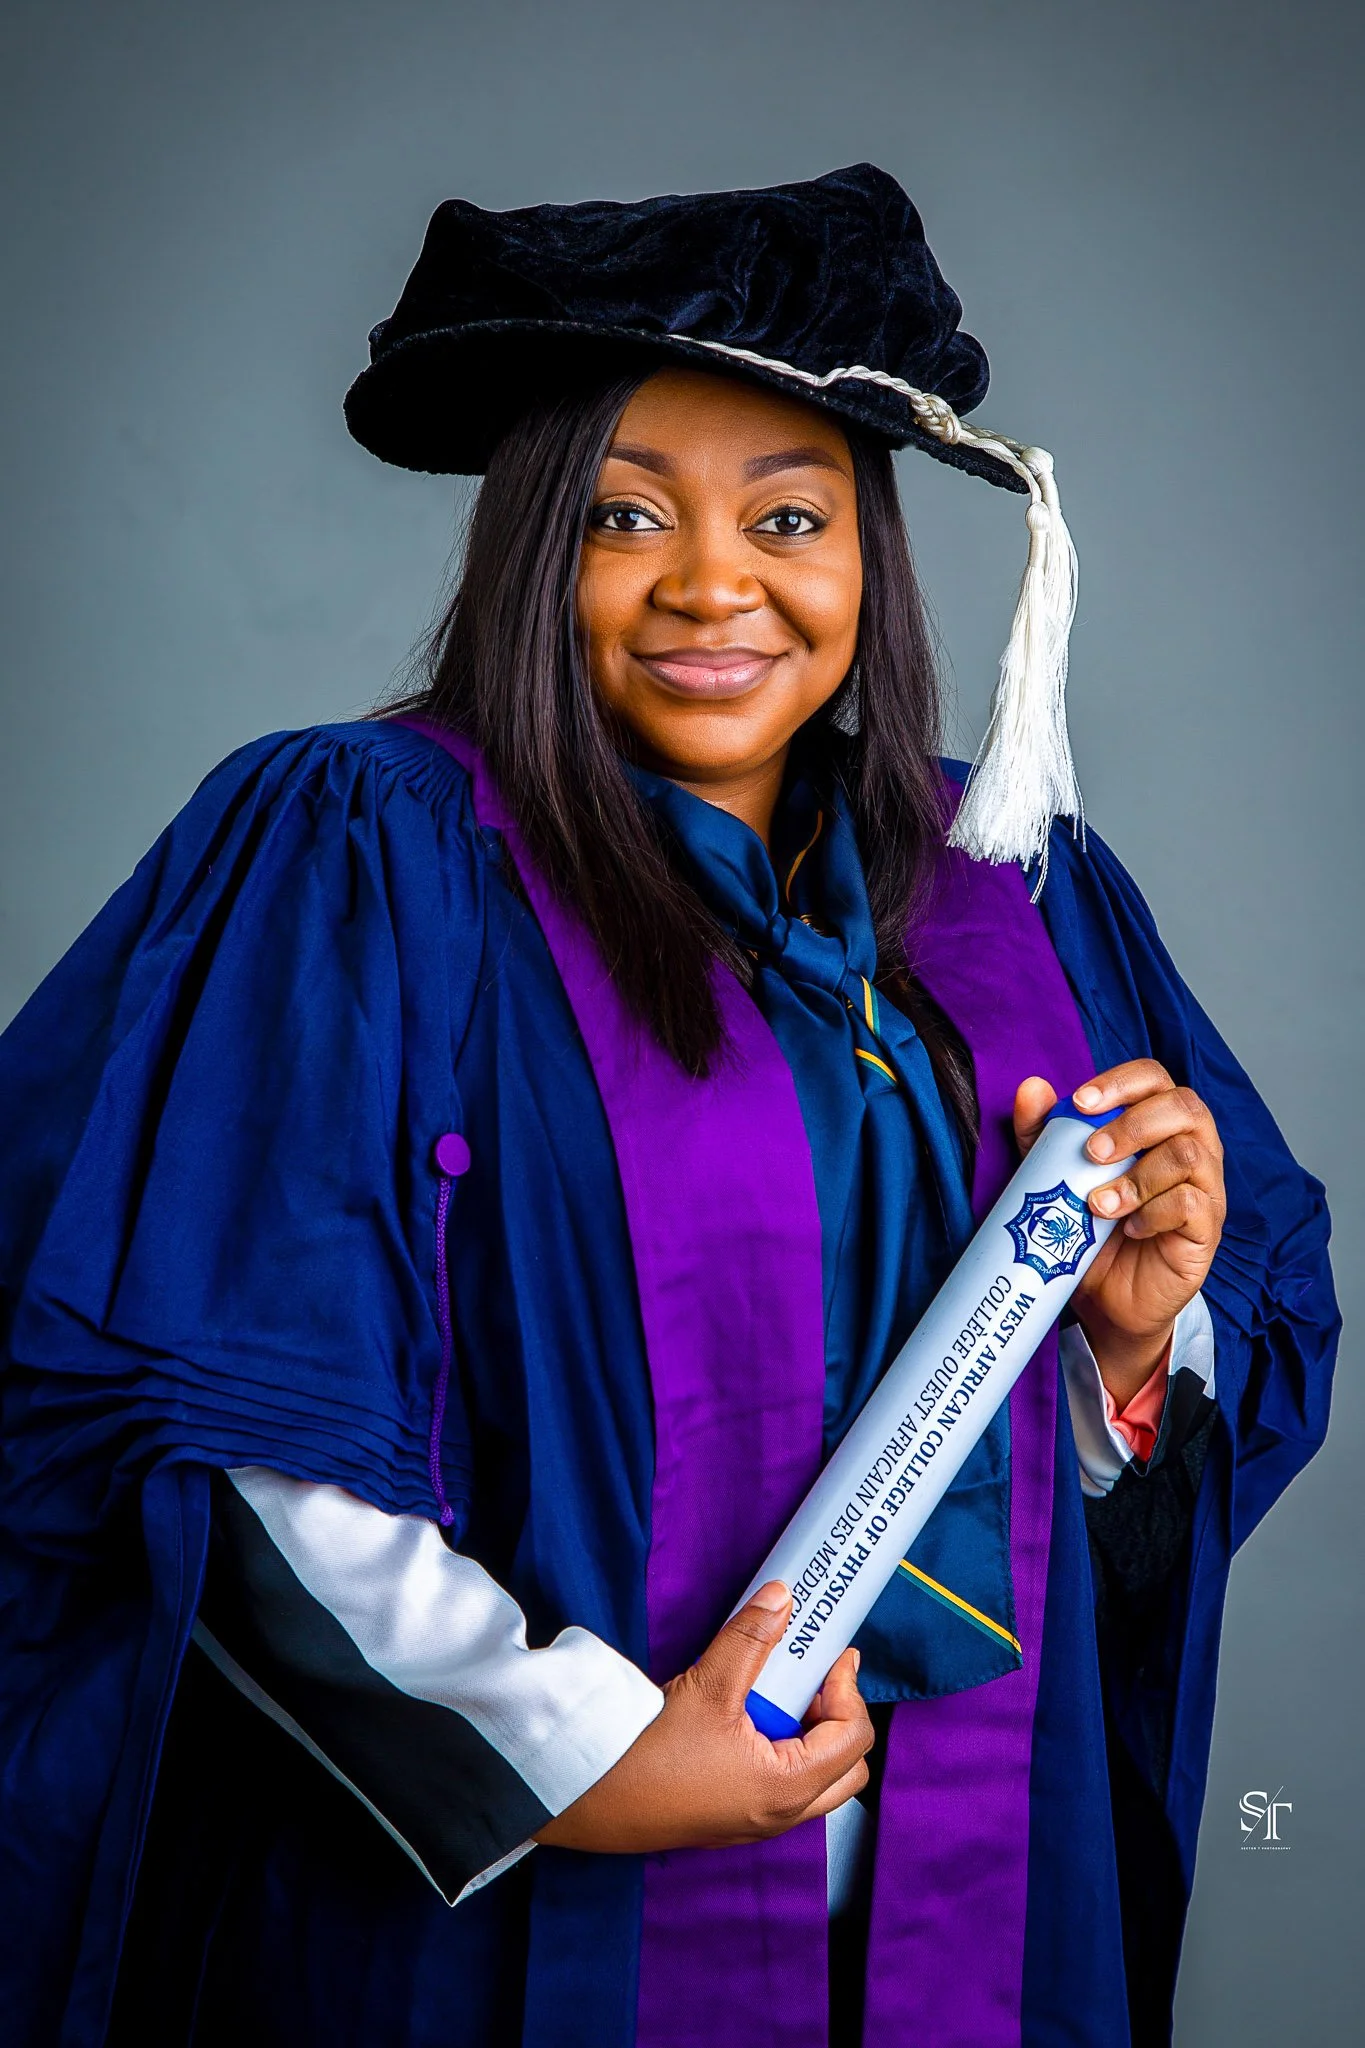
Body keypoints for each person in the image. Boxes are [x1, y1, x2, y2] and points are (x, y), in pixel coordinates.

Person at [0, 165, 1337, 2048]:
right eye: (628, 517)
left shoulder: (1015, 890)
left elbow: (1128, 1420)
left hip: (956, 1912)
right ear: (535, 556)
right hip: (510, 1923)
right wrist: (594, 1758)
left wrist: (1123, 1354)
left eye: (790, 516)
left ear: (871, 555)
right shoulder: (374, 857)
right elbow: (211, 1408)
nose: (717, 585)